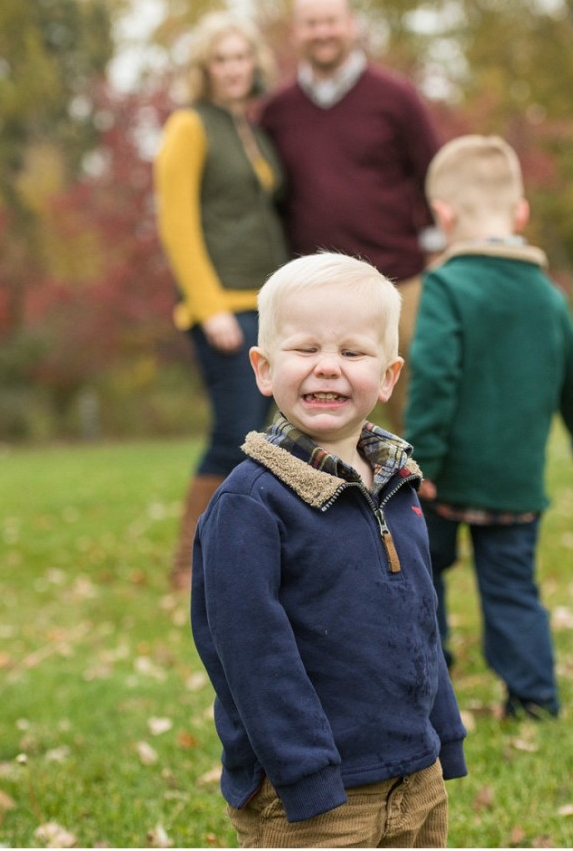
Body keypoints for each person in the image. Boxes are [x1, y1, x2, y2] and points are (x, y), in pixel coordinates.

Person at [191, 252, 467, 846]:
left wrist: (442, 736)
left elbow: (421, 618)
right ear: (263, 369)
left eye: (352, 352)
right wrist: (306, 776)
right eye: (305, 348)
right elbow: (249, 654)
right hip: (315, 796)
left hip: (415, 777)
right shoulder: (252, 504)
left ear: (389, 376)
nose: (327, 369)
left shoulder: (397, 484)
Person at [403, 135, 573, 722]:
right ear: (521, 214)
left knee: (426, 576)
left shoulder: (446, 286)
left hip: (446, 478)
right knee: (513, 588)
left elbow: (435, 379)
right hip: (516, 481)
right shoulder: (548, 297)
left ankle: (427, 685)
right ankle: (534, 699)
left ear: (443, 217)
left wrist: (425, 464)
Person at [259, 0, 443, 434]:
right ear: (296, 32)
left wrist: (439, 251)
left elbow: (434, 175)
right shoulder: (276, 112)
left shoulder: (395, 98)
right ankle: (322, 504)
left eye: (331, 21)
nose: (323, 32)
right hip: (311, 288)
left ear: (351, 25)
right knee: (318, 412)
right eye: (311, 23)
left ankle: (421, 503)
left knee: (413, 402)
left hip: (401, 279)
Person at [154, 12, 291, 591]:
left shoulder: (252, 129)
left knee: (265, 430)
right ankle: (189, 563)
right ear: (204, 69)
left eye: (242, 57)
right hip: (223, 308)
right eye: (221, 59)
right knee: (234, 428)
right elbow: (177, 222)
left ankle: (249, 555)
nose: (234, 68)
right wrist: (208, 305)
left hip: (265, 304)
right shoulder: (190, 126)